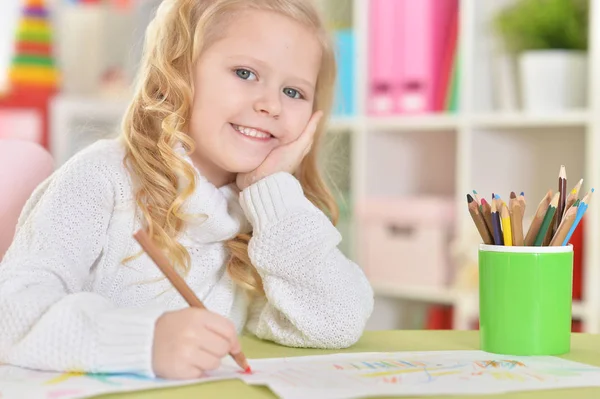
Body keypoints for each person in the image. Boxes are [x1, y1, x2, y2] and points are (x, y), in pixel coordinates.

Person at [0, 0, 374, 380]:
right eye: (245, 73)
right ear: (177, 73)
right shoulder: (103, 177)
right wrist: (144, 342)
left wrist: (271, 190)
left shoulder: (266, 213)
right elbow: (9, 310)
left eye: (294, 92)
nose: (271, 105)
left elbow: (337, 321)